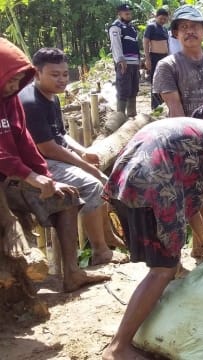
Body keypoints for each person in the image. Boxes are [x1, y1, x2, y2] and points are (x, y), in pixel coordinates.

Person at [101, 96, 203, 360]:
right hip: (153, 189)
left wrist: (202, 241)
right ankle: (118, 347)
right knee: (162, 270)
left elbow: (188, 202)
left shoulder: (188, 132)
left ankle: (155, 311)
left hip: (122, 186)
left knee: (167, 265)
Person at [0, 37, 109, 292]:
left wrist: (46, 175)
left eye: (19, 82)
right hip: (8, 180)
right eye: (10, 80)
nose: (14, 87)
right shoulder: (28, 99)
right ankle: (11, 229)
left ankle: (72, 273)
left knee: (68, 196)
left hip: (13, 178)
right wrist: (30, 176)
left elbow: (24, 140)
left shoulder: (11, 99)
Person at [19, 47, 128, 266]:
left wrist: (83, 151)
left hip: (52, 155)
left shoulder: (51, 96)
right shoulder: (31, 102)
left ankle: (106, 234)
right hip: (36, 164)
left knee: (101, 180)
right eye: (55, 75)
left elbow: (61, 134)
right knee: (92, 184)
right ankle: (100, 250)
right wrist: (88, 167)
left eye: (65, 74)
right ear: (37, 73)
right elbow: (47, 148)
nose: (62, 80)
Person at [153, 4, 203, 117]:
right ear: (176, 33)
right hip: (185, 131)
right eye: (184, 27)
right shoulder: (167, 66)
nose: (189, 31)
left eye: (194, 26)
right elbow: (176, 112)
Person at [108, 3, 140, 117]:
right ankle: (120, 117)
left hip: (134, 63)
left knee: (134, 89)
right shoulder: (116, 27)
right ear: (119, 14)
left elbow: (135, 45)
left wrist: (139, 61)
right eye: (126, 13)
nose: (128, 14)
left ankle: (132, 115)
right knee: (123, 90)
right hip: (124, 63)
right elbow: (116, 45)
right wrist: (120, 59)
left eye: (129, 12)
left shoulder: (132, 28)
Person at [143, 8, 169, 110]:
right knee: (155, 81)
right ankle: (155, 106)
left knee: (164, 81)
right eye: (161, 18)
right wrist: (147, 59)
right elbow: (145, 42)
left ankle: (162, 103)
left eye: (165, 19)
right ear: (156, 17)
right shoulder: (151, 27)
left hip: (164, 58)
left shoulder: (164, 29)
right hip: (154, 57)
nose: (163, 21)